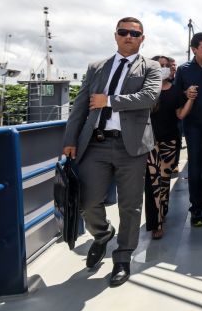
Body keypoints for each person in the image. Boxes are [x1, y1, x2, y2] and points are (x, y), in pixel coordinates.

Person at [62, 17, 161, 287]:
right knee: (87, 201)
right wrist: (70, 139)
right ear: (116, 36)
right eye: (124, 32)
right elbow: (80, 105)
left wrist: (110, 101)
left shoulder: (151, 67)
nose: (129, 36)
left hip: (132, 147)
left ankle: (122, 257)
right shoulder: (96, 67)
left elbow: (149, 98)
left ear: (142, 38)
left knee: (130, 205)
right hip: (95, 143)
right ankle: (103, 234)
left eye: (135, 33)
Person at [145, 55, 194, 239]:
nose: (164, 68)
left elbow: (180, 115)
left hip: (170, 142)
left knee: (164, 182)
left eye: (167, 65)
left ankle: (162, 210)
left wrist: (190, 100)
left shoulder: (175, 92)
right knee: (152, 183)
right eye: (160, 66)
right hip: (149, 142)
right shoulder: (146, 91)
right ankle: (155, 223)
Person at [174, 33, 202, 227]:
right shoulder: (183, 70)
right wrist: (185, 93)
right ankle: (196, 209)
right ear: (194, 49)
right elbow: (176, 95)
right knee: (194, 165)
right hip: (192, 125)